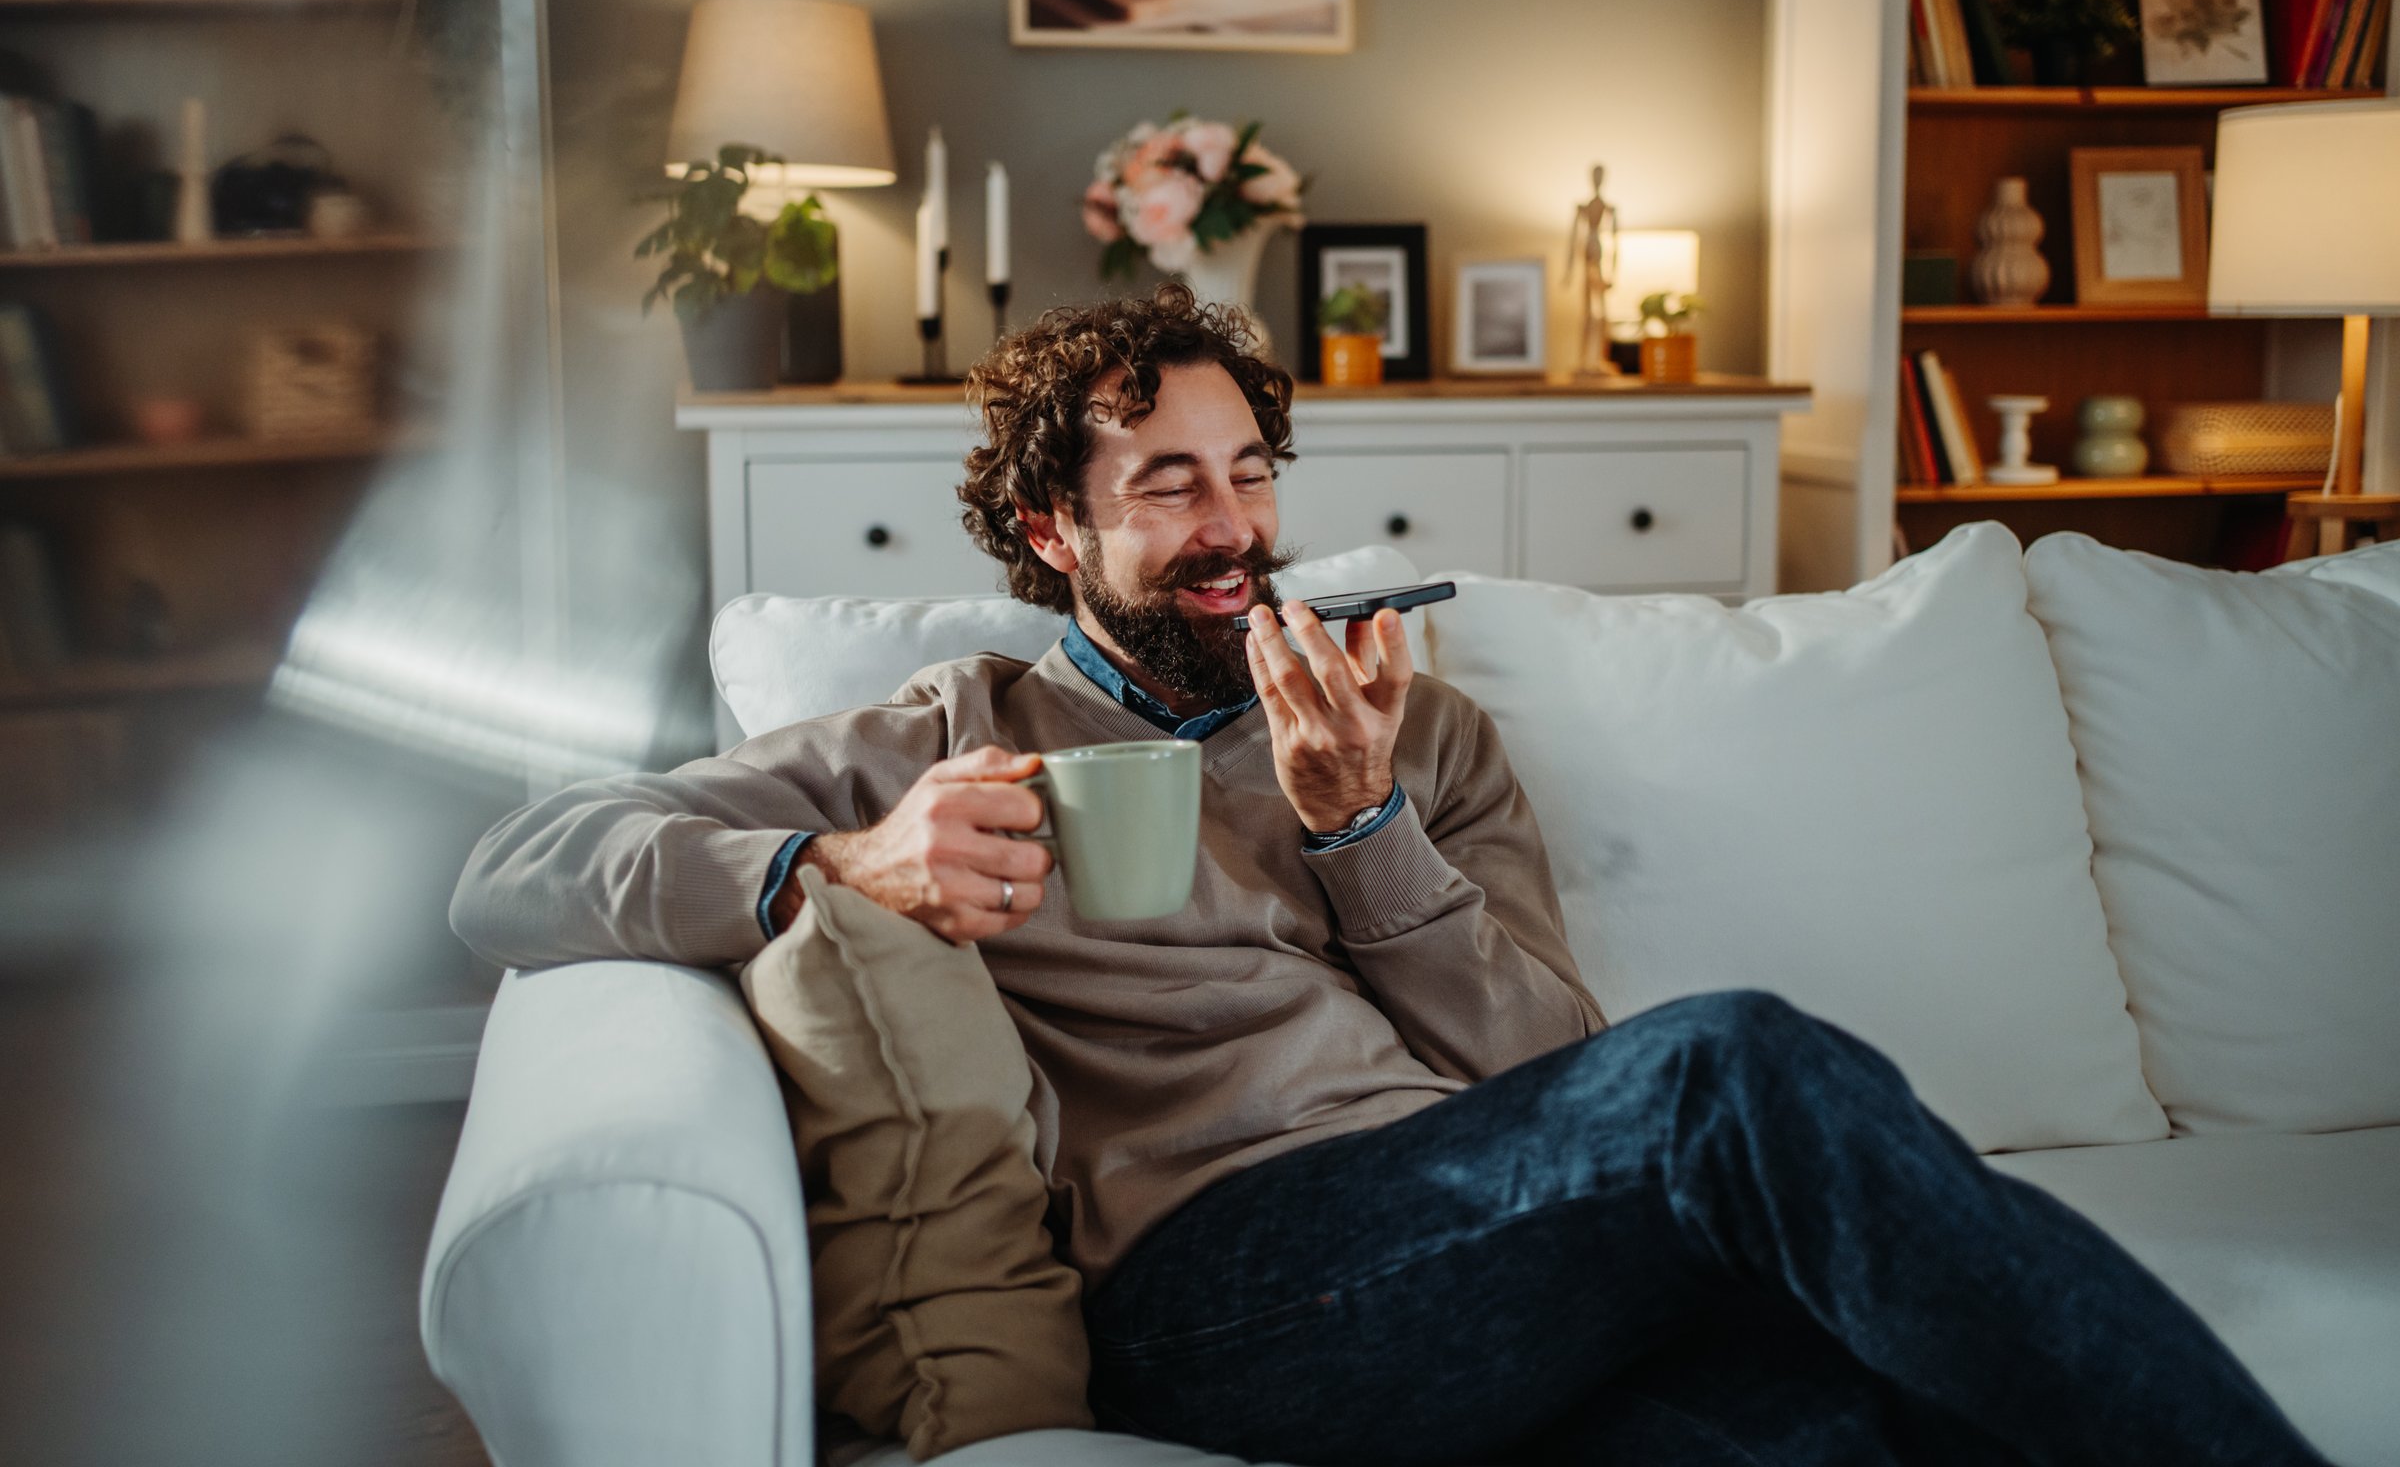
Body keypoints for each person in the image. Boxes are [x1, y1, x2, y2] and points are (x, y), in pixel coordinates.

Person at [451, 283, 2323, 1467]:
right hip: (1221, 1290)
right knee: (1733, 1063)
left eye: (1250, 474)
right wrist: (836, 859)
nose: (1234, 529)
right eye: (1169, 485)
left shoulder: (1415, 737)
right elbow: (516, 864)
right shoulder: (954, 732)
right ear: (1052, 529)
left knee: (1841, 1423)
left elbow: (1541, 1059)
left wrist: (1364, 834)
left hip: (1481, 1256)